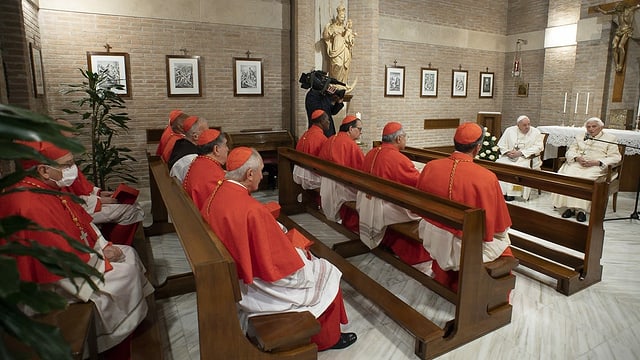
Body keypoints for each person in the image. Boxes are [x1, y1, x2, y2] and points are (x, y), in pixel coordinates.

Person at [0, 141, 154, 358]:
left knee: (128, 254)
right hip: (51, 284)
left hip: (73, 262)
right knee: (126, 273)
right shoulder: (28, 204)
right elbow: (55, 257)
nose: (72, 169)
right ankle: (111, 341)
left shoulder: (47, 189)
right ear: (43, 169)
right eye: (67, 164)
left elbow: (80, 222)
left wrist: (103, 246)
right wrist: (100, 257)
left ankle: (124, 328)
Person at [200, 147, 357, 351]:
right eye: (260, 171)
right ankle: (328, 339)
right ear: (249, 174)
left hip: (234, 274)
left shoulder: (218, 192)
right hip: (257, 286)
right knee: (326, 271)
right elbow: (280, 264)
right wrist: (299, 252)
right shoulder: (252, 211)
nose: (261, 176)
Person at [416, 122, 514, 291]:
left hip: (432, 235)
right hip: (462, 244)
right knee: (504, 243)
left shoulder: (431, 166)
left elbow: (419, 203)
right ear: (477, 148)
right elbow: (497, 224)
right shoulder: (486, 177)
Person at [55, 119, 144, 247]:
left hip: (86, 202)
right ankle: (117, 244)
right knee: (130, 211)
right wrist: (99, 200)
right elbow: (70, 196)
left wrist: (99, 192)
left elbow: (81, 185)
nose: (74, 135)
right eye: (70, 132)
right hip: (79, 208)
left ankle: (112, 242)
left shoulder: (63, 152)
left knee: (132, 204)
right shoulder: (57, 159)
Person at [357, 122, 431, 265]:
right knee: (424, 210)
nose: (405, 139)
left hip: (367, 202)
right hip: (385, 206)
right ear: (398, 139)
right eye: (404, 137)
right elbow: (417, 182)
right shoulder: (398, 159)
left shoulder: (372, 152)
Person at [552, 117, 621, 222]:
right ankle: (570, 208)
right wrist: (577, 158)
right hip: (578, 164)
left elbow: (616, 157)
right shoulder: (580, 136)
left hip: (596, 166)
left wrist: (598, 162)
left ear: (601, 127)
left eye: (594, 126)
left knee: (585, 179)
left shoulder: (610, 138)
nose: (591, 129)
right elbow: (570, 151)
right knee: (569, 176)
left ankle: (581, 210)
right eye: (588, 127)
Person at [318, 115, 364, 229]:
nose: (361, 132)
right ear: (350, 129)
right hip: (342, 186)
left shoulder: (331, 139)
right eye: (359, 129)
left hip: (326, 184)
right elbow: (361, 170)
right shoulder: (350, 144)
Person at [495, 115, 545, 201]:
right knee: (500, 165)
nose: (527, 127)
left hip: (526, 158)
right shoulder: (509, 130)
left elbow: (539, 147)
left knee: (518, 168)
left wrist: (521, 153)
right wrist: (507, 153)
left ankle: (513, 193)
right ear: (518, 125)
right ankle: (502, 192)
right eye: (524, 125)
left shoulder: (535, 132)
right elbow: (501, 145)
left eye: (529, 124)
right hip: (509, 157)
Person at [182, 128, 228, 210]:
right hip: (202, 220)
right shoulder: (214, 176)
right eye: (225, 145)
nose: (227, 149)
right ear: (216, 149)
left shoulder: (199, 162)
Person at [596, 2, 640, 72]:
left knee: (620, 46)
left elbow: (637, 6)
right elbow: (606, 12)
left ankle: (620, 65)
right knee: (614, 46)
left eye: (618, 7)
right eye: (617, 7)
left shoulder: (630, 10)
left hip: (626, 30)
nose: (617, 8)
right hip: (619, 30)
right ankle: (616, 64)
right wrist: (599, 9)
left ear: (623, 6)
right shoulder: (617, 12)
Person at [293, 109, 330, 190]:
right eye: (327, 119)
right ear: (322, 121)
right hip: (311, 177)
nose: (329, 122)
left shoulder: (306, 134)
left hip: (298, 173)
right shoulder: (321, 138)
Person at [322, 4, 354, 86]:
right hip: (336, 48)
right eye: (341, 16)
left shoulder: (345, 28)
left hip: (344, 49)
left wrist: (350, 38)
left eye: (344, 17)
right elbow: (326, 37)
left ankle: (341, 84)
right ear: (338, 17)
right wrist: (326, 28)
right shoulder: (333, 27)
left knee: (343, 66)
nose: (342, 18)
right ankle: (334, 84)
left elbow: (349, 37)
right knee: (337, 64)